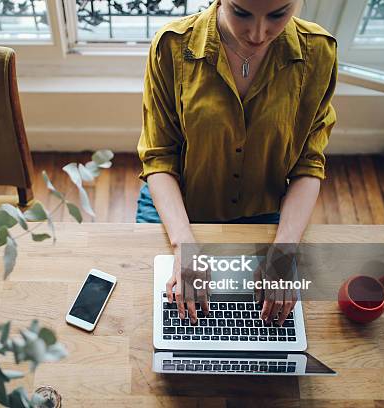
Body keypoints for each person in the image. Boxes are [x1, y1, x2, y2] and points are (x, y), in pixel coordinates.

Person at [136, 0, 338, 326]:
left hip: (266, 212)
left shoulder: (320, 53)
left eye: (278, 14)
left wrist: (285, 249)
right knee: (151, 320)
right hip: (179, 209)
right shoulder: (171, 46)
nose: (258, 34)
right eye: (241, 13)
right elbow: (159, 156)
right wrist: (184, 244)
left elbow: (308, 162)